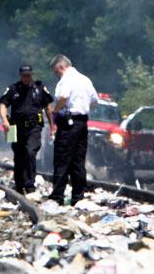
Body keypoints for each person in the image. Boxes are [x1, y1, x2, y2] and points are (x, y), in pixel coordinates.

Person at [48, 54, 98, 206]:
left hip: (68, 124)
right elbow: (95, 100)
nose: (57, 75)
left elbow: (63, 96)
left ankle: (57, 196)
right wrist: (81, 110)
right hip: (82, 123)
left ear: (61, 67)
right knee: (78, 160)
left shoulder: (67, 79)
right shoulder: (85, 79)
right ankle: (78, 197)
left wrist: (55, 112)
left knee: (62, 159)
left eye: (56, 72)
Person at [0, 64, 54, 194]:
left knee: (30, 152)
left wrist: (52, 125)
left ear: (32, 74)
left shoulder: (39, 88)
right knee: (19, 156)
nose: (26, 78)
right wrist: (5, 120)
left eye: (28, 75)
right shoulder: (13, 89)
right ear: (20, 75)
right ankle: (19, 184)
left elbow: (48, 108)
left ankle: (29, 185)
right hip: (16, 128)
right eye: (24, 75)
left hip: (34, 127)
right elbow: (2, 106)